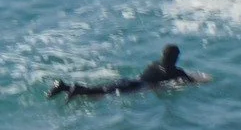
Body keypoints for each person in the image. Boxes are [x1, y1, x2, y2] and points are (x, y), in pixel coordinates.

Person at [49, 44, 201, 99]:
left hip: (129, 80)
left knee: (102, 89)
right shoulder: (177, 72)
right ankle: (73, 89)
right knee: (102, 92)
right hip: (136, 87)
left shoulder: (154, 64)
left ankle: (65, 87)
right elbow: (192, 81)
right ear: (174, 58)